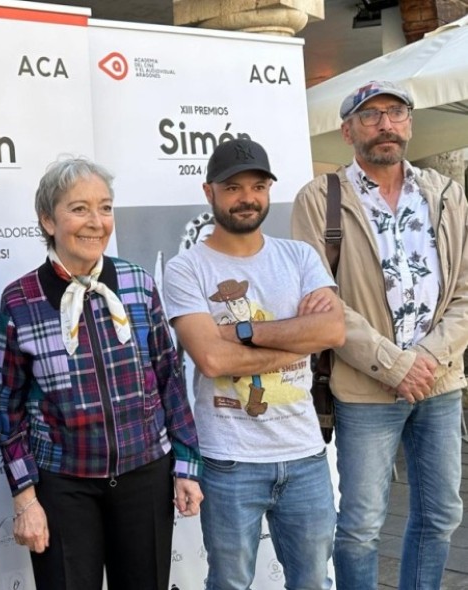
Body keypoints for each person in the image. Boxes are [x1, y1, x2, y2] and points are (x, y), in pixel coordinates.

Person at [0, 157, 203, 590]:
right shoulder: (20, 299)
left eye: (105, 208)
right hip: (62, 486)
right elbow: (7, 410)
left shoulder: (138, 284)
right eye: (79, 209)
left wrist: (186, 464)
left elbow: (170, 380)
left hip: (145, 475)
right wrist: (25, 497)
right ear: (48, 220)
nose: (96, 222)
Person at [292, 80, 467, 590]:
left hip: (440, 382)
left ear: (410, 123)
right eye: (370, 116)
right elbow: (320, 300)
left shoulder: (446, 194)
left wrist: (426, 361)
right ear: (347, 131)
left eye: (395, 112)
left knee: (441, 516)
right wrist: (394, 365)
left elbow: (464, 290)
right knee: (363, 525)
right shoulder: (319, 198)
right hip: (365, 387)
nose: (385, 124)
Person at [164, 138, 345, 590]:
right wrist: (296, 339)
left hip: (304, 454)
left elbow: (332, 333)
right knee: (229, 583)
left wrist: (240, 332)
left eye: (258, 186)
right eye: (233, 187)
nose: (247, 197)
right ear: (209, 193)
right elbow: (210, 358)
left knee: (313, 583)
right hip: (229, 460)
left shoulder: (300, 256)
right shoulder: (187, 269)